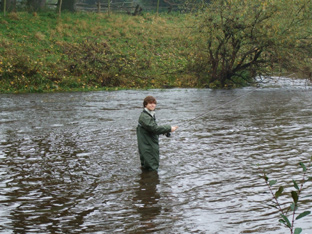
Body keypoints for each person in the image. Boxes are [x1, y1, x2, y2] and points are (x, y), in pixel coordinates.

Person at [136, 96, 178, 171]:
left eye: (154, 103)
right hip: (148, 146)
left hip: (148, 144)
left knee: (147, 167)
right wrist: (169, 128)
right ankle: (152, 182)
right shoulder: (145, 117)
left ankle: (145, 180)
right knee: (152, 167)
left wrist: (164, 132)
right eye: (150, 103)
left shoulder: (149, 114)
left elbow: (152, 128)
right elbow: (154, 128)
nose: (153, 105)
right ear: (145, 105)